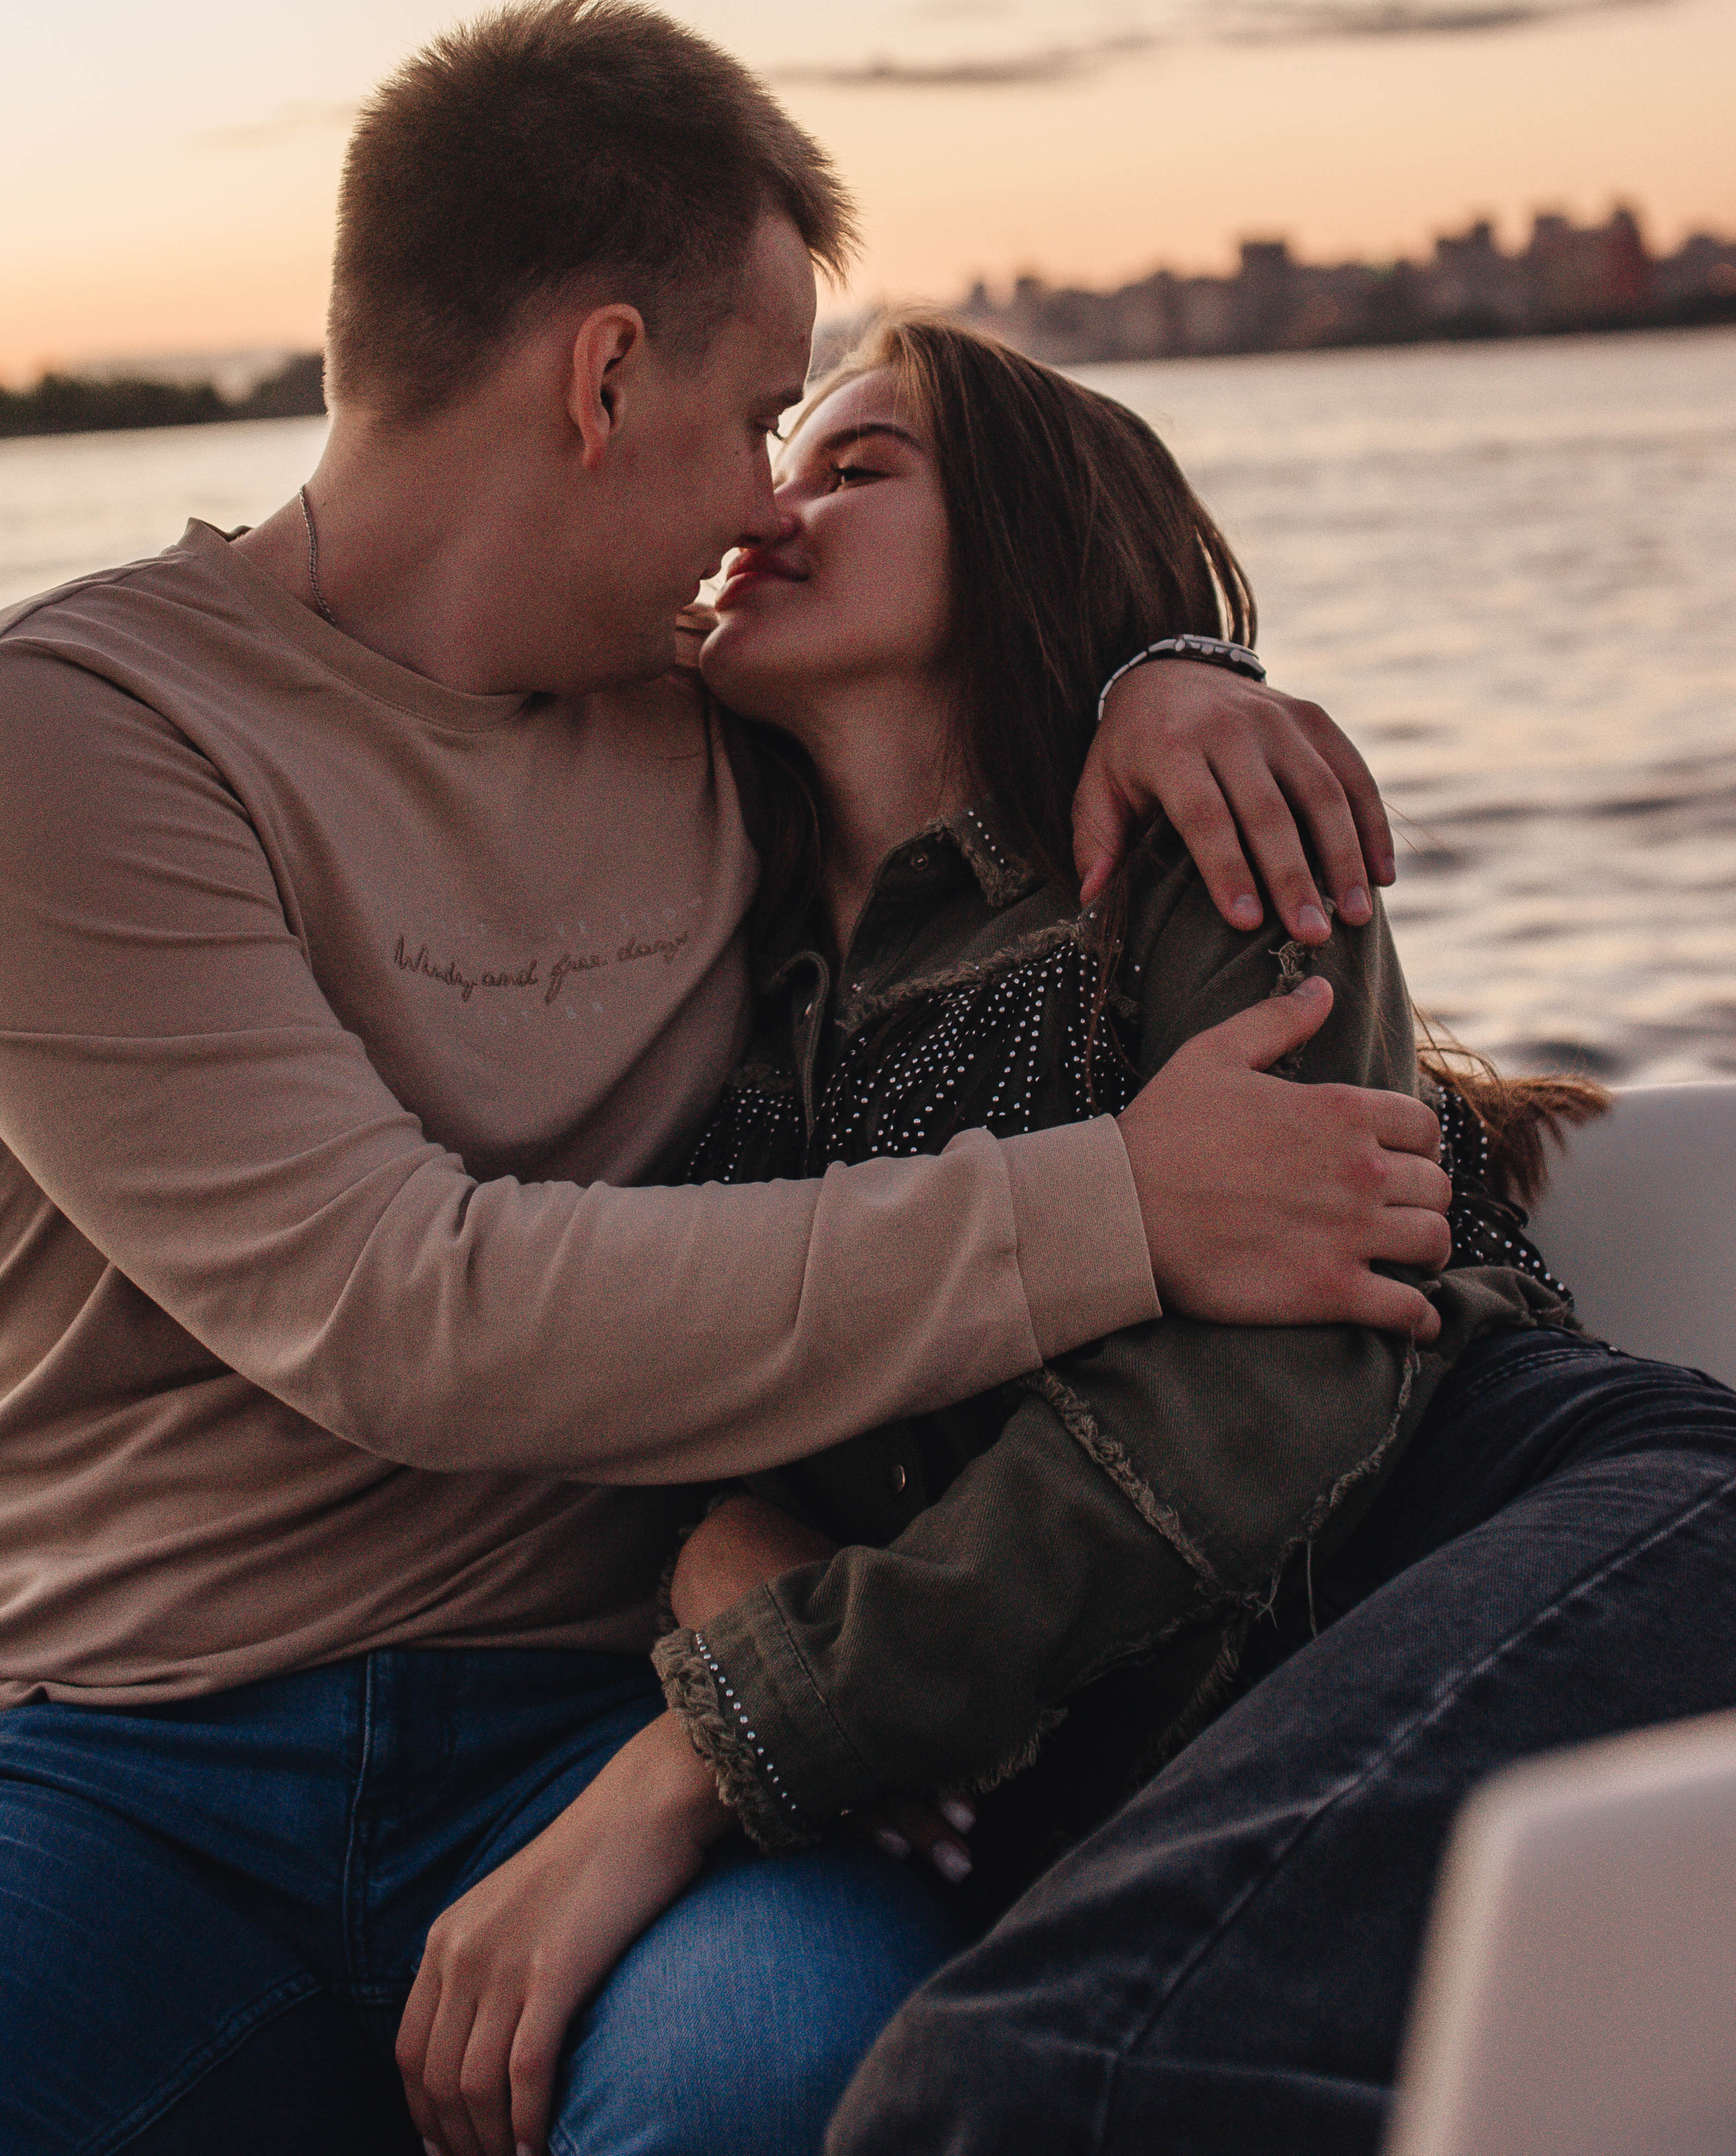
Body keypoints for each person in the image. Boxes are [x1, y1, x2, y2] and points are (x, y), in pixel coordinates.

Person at [0, 0, 1444, 2156]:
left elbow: (973, 698)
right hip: (121, 1755)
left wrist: (1171, 678)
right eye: (754, 418)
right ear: (603, 379)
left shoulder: (713, 723)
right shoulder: (58, 741)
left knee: (788, 2096)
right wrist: (1126, 1205)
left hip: (620, 1712)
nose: (763, 510)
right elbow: (399, 1311)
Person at [395, 313, 1736, 2156]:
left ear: (1023, 532)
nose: (768, 509)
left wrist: (722, 1735)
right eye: (776, 466)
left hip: (1554, 1528)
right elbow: (682, 1363)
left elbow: (1265, 1393)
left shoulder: (1202, 834)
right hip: (1183, 1729)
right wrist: (720, 1543)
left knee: (1008, 2087)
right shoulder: (690, 980)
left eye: (855, 468)